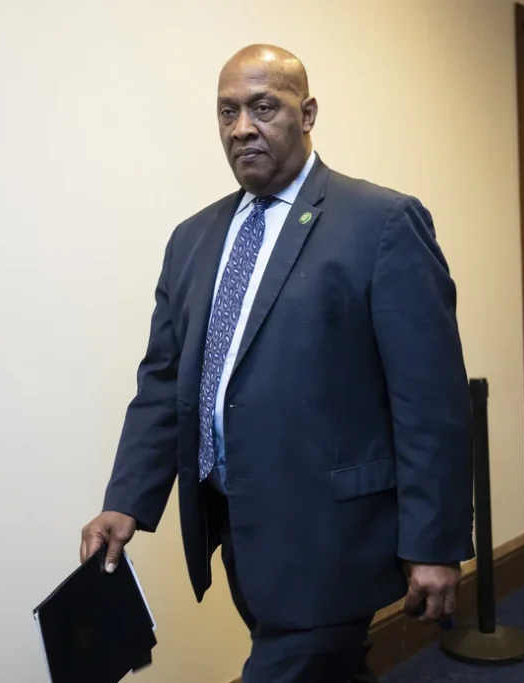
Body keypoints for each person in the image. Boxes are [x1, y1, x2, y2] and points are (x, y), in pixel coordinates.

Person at [80, 44, 475, 683]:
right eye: (227, 112)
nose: (242, 128)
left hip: (332, 533)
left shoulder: (381, 223)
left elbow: (430, 401)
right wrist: (126, 500)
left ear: (307, 111)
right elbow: (163, 384)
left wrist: (435, 543)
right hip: (232, 523)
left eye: (264, 107)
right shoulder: (192, 240)